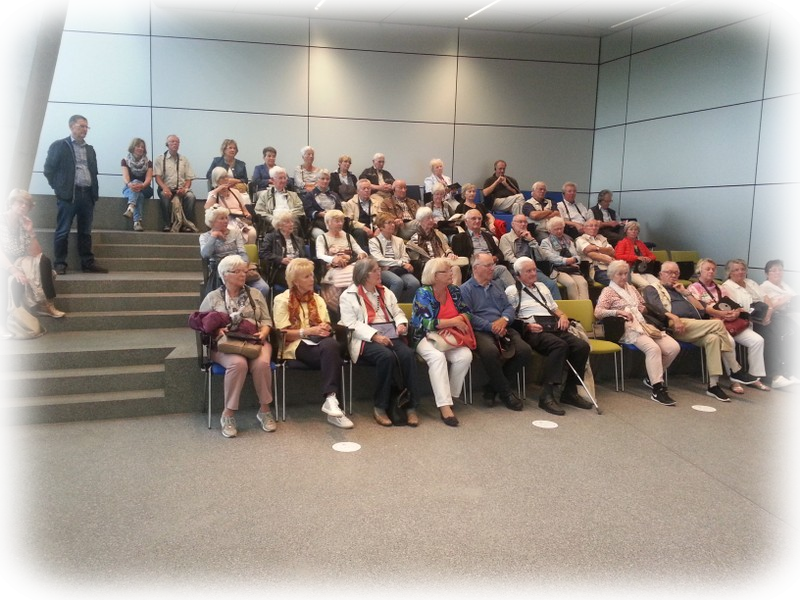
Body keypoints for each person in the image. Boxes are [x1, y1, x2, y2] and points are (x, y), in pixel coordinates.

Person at [643, 261, 760, 401]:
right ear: (660, 274)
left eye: (676, 273)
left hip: (695, 324)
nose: (673, 276)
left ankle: (713, 385)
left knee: (713, 339)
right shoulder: (652, 288)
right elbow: (656, 308)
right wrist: (675, 318)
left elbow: (700, 309)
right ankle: (735, 369)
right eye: (669, 272)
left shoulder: (681, 289)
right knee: (718, 324)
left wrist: (686, 293)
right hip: (674, 324)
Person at [199, 255, 276, 438]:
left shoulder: (255, 294)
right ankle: (228, 414)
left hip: (255, 340)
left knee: (261, 363)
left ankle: (264, 410)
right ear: (225, 275)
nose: (243, 275)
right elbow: (201, 324)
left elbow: (267, 320)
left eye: (244, 271)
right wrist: (216, 330)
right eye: (238, 271)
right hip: (225, 344)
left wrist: (264, 332)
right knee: (238, 364)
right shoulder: (213, 297)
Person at [339, 258, 420, 426]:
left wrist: (401, 324)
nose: (379, 273)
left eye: (379, 269)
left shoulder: (385, 291)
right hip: (364, 338)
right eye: (375, 270)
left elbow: (397, 312)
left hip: (390, 333)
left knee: (407, 355)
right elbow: (351, 324)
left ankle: (410, 406)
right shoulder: (348, 296)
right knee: (386, 356)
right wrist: (374, 336)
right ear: (364, 275)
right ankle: (380, 406)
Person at [506, 257, 592, 416]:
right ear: (518, 275)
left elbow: (554, 309)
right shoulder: (512, 291)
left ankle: (569, 391)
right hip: (532, 330)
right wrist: (527, 326)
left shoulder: (542, 287)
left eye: (534, 269)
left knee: (582, 346)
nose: (533, 273)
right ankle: (547, 395)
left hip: (552, 325)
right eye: (528, 271)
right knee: (559, 346)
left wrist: (563, 317)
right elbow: (509, 317)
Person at [273, 258, 352, 429]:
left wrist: (324, 328)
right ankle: (334, 405)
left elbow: (326, 324)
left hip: (320, 344)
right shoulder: (282, 300)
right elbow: (282, 334)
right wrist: (308, 331)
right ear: (295, 281)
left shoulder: (318, 299)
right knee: (332, 352)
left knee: (331, 346)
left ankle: (331, 401)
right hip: (295, 345)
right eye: (307, 276)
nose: (312, 279)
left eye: (312, 275)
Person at [595, 260, 680, 405]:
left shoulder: (632, 288)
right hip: (626, 327)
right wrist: (618, 312)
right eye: (619, 274)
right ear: (612, 276)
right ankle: (657, 388)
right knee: (653, 349)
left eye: (625, 273)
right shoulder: (608, 291)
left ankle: (651, 378)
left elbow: (642, 306)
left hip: (644, 324)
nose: (623, 277)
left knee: (673, 347)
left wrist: (644, 309)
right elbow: (598, 312)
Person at [460, 253, 531, 411]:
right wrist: (491, 326)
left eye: (492, 265)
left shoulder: (496, 286)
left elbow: (508, 307)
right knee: (490, 351)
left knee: (524, 350)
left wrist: (504, 320)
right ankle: (506, 392)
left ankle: (492, 388)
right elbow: (468, 316)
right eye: (488, 266)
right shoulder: (465, 289)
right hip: (481, 329)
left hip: (503, 326)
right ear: (476, 268)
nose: (493, 268)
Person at [689, 258, 771, 392]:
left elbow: (734, 305)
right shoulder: (693, 288)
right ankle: (735, 380)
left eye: (713, 269)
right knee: (730, 342)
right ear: (699, 271)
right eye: (707, 269)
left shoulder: (720, 288)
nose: (711, 271)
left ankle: (755, 377)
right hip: (712, 324)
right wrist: (721, 314)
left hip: (730, 322)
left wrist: (735, 313)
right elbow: (701, 308)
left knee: (757, 340)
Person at [410, 257, 474, 426]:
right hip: (424, 336)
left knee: (465, 356)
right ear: (434, 275)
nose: (451, 273)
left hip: (450, 335)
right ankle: (444, 406)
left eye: (450, 270)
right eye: (445, 271)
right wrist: (454, 322)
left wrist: (458, 320)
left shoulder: (454, 290)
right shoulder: (423, 293)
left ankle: (449, 396)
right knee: (437, 357)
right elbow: (426, 322)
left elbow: (468, 312)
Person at [43, 114, 107, 274]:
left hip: (87, 195)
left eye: (86, 127)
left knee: (85, 231)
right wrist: (59, 188)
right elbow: (48, 170)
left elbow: (93, 172)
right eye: (81, 126)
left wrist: (94, 193)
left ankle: (87, 263)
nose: (85, 129)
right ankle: (60, 263)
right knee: (63, 230)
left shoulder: (90, 149)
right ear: (71, 126)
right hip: (68, 196)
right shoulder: (59, 145)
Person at [722, 259, 800, 388]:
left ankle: (780, 373)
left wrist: (768, 313)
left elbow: (766, 298)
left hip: (766, 316)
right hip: (747, 320)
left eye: (743, 269)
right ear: (729, 273)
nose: (740, 272)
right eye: (736, 270)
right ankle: (774, 376)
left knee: (785, 334)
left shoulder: (751, 282)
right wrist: (758, 318)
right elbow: (737, 309)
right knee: (769, 338)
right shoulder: (727, 287)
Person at [0, 189, 65, 338]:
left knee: (44, 261)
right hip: (4, 265)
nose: (24, 206)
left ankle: (46, 304)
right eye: (20, 202)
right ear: (11, 203)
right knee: (15, 281)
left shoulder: (23, 224)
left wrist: (30, 232)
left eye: (27, 204)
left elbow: (36, 254)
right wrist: (14, 270)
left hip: (16, 263)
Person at [199, 205, 269, 301]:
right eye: (221, 218)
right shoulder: (205, 237)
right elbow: (205, 254)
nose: (226, 221)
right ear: (212, 222)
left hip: (238, 266)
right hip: (220, 271)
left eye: (226, 218)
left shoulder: (235, 232)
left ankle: (247, 306)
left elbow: (242, 252)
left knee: (263, 287)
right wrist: (214, 236)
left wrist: (243, 265)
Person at [499, 213, 561, 299]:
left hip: (532, 270)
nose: (523, 224)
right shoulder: (506, 238)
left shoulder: (529, 237)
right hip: (515, 270)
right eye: (520, 222)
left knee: (551, 285)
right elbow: (508, 257)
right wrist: (524, 266)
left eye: (525, 222)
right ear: (513, 224)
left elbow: (542, 257)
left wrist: (531, 240)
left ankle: (555, 307)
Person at [316, 209, 368, 311]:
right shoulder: (322, 238)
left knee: (360, 272)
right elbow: (319, 255)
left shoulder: (348, 236)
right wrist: (333, 259)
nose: (340, 223)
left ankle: (356, 305)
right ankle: (345, 306)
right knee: (353, 276)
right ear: (328, 222)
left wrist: (362, 254)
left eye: (342, 220)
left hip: (350, 266)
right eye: (337, 221)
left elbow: (361, 251)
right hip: (333, 268)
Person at [451, 209, 515, 288]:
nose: (477, 221)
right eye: (474, 218)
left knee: (499, 282)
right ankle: (518, 293)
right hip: (474, 269)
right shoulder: (459, 238)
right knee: (502, 269)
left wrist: (494, 258)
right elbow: (460, 258)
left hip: (492, 266)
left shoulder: (487, 236)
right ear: (466, 222)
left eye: (479, 219)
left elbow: (500, 254)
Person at [368, 214, 420, 302]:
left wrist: (403, 263)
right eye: (389, 223)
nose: (393, 225)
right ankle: (388, 306)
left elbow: (405, 256)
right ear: (381, 227)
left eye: (393, 222)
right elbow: (379, 260)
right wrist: (400, 263)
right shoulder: (373, 242)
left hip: (399, 269)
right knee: (397, 282)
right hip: (383, 270)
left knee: (414, 283)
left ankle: (403, 305)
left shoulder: (399, 240)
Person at [153, 134, 199, 233]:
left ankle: (187, 224)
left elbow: (189, 178)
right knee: (164, 195)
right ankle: (167, 224)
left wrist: (185, 189)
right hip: (166, 188)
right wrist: (165, 188)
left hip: (181, 189)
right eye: (172, 141)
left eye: (177, 142)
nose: (175, 143)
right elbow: (158, 177)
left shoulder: (184, 159)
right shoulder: (160, 159)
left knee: (191, 197)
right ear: (167, 144)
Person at [406, 207, 462, 284]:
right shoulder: (414, 240)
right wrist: (434, 262)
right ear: (420, 221)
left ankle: (454, 291)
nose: (431, 220)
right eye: (428, 218)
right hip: (428, 267)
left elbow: (446, 248)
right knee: (441, 272)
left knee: (456, 268)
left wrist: (450, 254)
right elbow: (416, 263)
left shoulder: (438, 234)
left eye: (432, 217)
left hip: (443, 262)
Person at [539, 217, 590, 300]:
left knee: (583, 283)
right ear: (550, 230)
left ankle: (585, 306)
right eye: (556, 229)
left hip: (572, 268)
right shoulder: (545, 242)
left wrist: (574, 260)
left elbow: (577, 256)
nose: (559, 231)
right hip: (557, 269)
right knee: (571, 283)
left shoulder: (569, 240)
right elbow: (549, 257)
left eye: (561, 228)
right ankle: (576, 306)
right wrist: (566, 261)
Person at [259, 209, 307, 290]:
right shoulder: (270, 237)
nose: (291, 224)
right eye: (287, 222)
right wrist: (280, 259)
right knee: (298, 281)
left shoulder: (298, 240)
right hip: (280, 269)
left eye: (292, 221)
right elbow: (263, 253)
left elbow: (304, 256)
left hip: (297, 268)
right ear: (279, 225)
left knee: (309, 279)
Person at [205, 167, 256, 244]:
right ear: (216, 180)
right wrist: (217, 190)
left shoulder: (235, 192)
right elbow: (207, 208)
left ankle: (248, 251)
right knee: (232, 231)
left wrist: (247, 214)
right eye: (222, 177)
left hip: (239, 220)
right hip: (225, 222)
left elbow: (244, 209)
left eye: (226, 176)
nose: (226, 179)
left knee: (252, 232)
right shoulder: (213, 194)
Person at [253, 166, 304, 232]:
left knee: (292, 224)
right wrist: (273, 219)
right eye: (280, 178)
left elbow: (299, 209)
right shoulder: (264, 196)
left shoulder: (293, 195)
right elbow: (259, 211)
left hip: (290, 222)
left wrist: (287, 217)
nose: (283, 180)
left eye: (285, 178)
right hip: (273, 223)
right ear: (272, 180)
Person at [120, 137, 153, 232]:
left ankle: (131, 207)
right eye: (138, 146)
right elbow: (126, 178)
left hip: (145, 188)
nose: (140, 148)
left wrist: (141, 185)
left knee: (137, 184)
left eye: (142, 147)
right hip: (129, 188)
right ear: (133, 147)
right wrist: (130, 184)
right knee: (139, 196)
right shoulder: (125, 161)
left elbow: (148, 179)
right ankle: (137, 222)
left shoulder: (148, 163)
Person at [614, 221, 658, 288]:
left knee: (658, 284)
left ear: (638, 232)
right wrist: (636, 258)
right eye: (631, 229)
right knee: (646, 285)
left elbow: (653, 256)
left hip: (644, 270)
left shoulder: (640, 243)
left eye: (636, 230)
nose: (633, 231)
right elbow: (618, 256)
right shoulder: (622, 243)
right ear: (626, 231)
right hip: (631, 271)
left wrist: (648, 258)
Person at [302, 169, 343, 241]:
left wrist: (333, 214)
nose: (325, 181)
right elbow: (308, 211)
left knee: (343, 235)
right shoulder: (310, 195)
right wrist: (319, 214)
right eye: (322, 179)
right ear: (317, 180)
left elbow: (340, 210)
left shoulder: (334, 195)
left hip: (335, 222)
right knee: (323, 237)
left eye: (327, 179)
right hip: (318, 224)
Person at [760, 259, 800, 330]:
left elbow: (795, 298)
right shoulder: (764, 287)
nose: (778, 272)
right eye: (774, 271)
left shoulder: (784, 284)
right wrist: (785, 300)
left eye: (780, 270)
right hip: (782, 319)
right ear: (767, 274)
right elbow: (769, 307)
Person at [342, 178, 379, 249]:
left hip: (373, 227)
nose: (366, 190)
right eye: (364, 188)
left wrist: (379, 228)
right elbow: (349, 221)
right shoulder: (350, 203)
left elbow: (381, 218)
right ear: (358, 191)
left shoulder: (376, 202)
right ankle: (364, 252)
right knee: (361, 232)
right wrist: (363, 227)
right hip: (357, 228)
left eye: (368, 188)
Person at [575, 219, 614, 286]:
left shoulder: (602, 238)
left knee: (625, 279)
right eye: (591, 226)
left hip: (609, 267)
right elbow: (591, 254)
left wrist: (596, 248)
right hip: (595, 269)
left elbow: (611, 251)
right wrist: (610, 260)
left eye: (596, 226)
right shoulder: (580, 239)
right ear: (584, 228)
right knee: (616, 283)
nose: (594, 228)